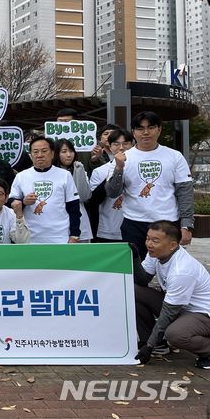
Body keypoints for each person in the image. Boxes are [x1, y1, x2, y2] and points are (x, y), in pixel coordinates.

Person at [106, 111, 194, 258]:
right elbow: (112, 192)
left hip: (168, 223)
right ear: (133, 132)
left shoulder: (175, 156)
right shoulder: (121, 158)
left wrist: (186, 226)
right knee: (136, 272)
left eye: (151, 127)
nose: (146, 132)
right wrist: (119, 168)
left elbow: (185, 193)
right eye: (140, 129)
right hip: (134, 223)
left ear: (159, 129)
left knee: (169, 269)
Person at [134, 221, 210, 369]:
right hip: (181, 307)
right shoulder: (155, 252)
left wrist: (149, 347)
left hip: (203, 314)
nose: (149, 244)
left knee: (175, 334)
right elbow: (142, 280)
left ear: (173, 245)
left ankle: (207, 351)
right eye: (148, 238)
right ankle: (158, 345)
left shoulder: (181, 270)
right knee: (135, 292)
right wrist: (135, 258)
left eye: (155, 241)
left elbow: (168, 313)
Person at [10, 137, 81, 243]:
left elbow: (74, 207)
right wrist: (24, 202)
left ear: (52, 154)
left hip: (60, 236)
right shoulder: (21, 176)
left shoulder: (65, 175)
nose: (40, 155)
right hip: (30, 236)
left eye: (44, 151)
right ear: (31, 155)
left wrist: (75, 235)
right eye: (35, 152)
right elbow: (10, 203)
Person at [89, 129, 133, 242]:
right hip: (108, 230)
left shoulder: (138, 167)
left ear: (133, 144)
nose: (121, 147)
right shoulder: (99, 171)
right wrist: (115, 171)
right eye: (116, 144)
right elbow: (93, 201)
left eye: (126, 143)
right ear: (110, 146)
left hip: (135, 227)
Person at [53, 139, 93, 242]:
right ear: (56, 154)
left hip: (80, 223)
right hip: (57, 225)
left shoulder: (79, 168)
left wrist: (79, 172)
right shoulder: (51, 173)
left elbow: (84, 196)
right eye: (64, 151)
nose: (69, 155)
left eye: (71, 151)